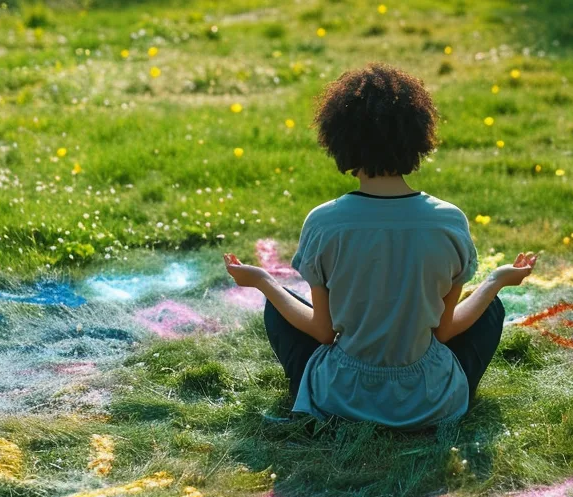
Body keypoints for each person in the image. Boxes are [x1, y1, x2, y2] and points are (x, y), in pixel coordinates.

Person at [223, 63, 538, 428]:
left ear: (339, 138)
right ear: (418, 137)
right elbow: (446, 332)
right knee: (490, 307)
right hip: (429, 401)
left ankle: (313, 397)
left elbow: (324, 333)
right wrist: (496, 279)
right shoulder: (449, 221)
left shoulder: (324, 222)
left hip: (341, 397)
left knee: (279, 303)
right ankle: (444, 397)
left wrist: (263, 280)